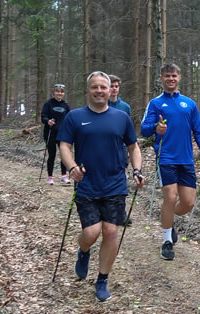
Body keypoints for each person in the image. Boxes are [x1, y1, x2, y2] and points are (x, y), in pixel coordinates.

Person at [58, 71, 146, 302]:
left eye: (103, 87)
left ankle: (102, 279)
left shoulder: (121, 117)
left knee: (110, 231)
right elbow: (65, 146)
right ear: (88, 90)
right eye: (94, 87)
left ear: (110, 90)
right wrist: (72, 167)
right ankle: (83, 251)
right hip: (86, 182)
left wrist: (137, 171)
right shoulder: (75, 117)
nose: (99, 91)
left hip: (115, 183)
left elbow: (134, 147)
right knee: (91, 232)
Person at [141, 63, 200, 260]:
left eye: (174, 75)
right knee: (170, 197)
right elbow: (144, 129)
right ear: (161, 79)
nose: (170, 79)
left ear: (179, 78)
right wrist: (156, 127)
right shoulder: (155, 103)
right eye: (167, 76)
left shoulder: (189, 104)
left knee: (188, 203)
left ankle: (168, 218)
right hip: (165, 157)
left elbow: (198, 130)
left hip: (186, 159)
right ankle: (166, 241)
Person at [108, 74, 134, 226]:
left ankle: (121, 212)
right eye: (111, 86)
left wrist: (130, 151)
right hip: (104, 149)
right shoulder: (101, 105)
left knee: (121, 180)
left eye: (116, 86)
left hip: (121, 148)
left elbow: (128, 130)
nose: (114, 89)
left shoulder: (125, 107)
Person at [41, 84, 71, 185]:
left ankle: (64, 176)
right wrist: (48, 121)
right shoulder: (48, 104)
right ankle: (50, 177)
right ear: (54, 92)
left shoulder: (65, 105)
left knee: (63, 155)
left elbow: (69, 118)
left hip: (62, 134)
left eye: (61, 92)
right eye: (58, 91)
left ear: (63, 93)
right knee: (52, 155)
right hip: (50, 133)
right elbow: (43, 117)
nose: (59, 93)